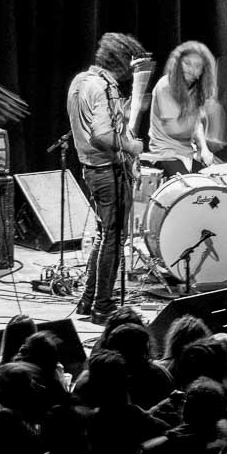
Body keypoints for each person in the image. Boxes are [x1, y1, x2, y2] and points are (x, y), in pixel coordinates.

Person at [68, 32, 148, 325]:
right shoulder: (103, 86)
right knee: (113, 239)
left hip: (90, 169)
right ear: (122, 61)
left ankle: (88, 301)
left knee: (104, 237)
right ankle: (103, 307)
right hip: (107, 170)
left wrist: (122, 114)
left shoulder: (80, 81)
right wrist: (130, 146)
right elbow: (100, 136)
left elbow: (94, 124)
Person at [147, 40, 223, 178]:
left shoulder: (196, 90)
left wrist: (204, 148)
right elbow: (175, 129)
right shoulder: (165, 86)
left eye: (197, 66)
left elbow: (196, 124)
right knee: (190, 190)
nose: (191, 69)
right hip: (164, 153)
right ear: (178, 64)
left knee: (219, 180)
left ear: (202, 72)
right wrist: (208, 120)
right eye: (187, 63)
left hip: (187, 152)